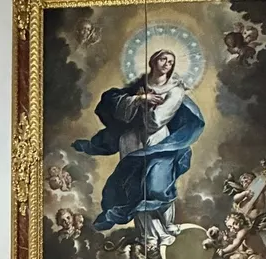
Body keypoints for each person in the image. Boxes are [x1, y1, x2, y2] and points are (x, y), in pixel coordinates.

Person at [73, 49, 204, 246]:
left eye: (171, 61)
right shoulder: (137, 87)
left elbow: (155, 121)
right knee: (134, 186)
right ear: (153, 62)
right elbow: (119, 110)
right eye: (163, 59)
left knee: (158, 185)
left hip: (158, 140)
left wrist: (141, 105)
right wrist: (140, 99)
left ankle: (166, 226)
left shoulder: (175, 90)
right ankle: (150, 236)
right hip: (132, 140)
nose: (167, 63)